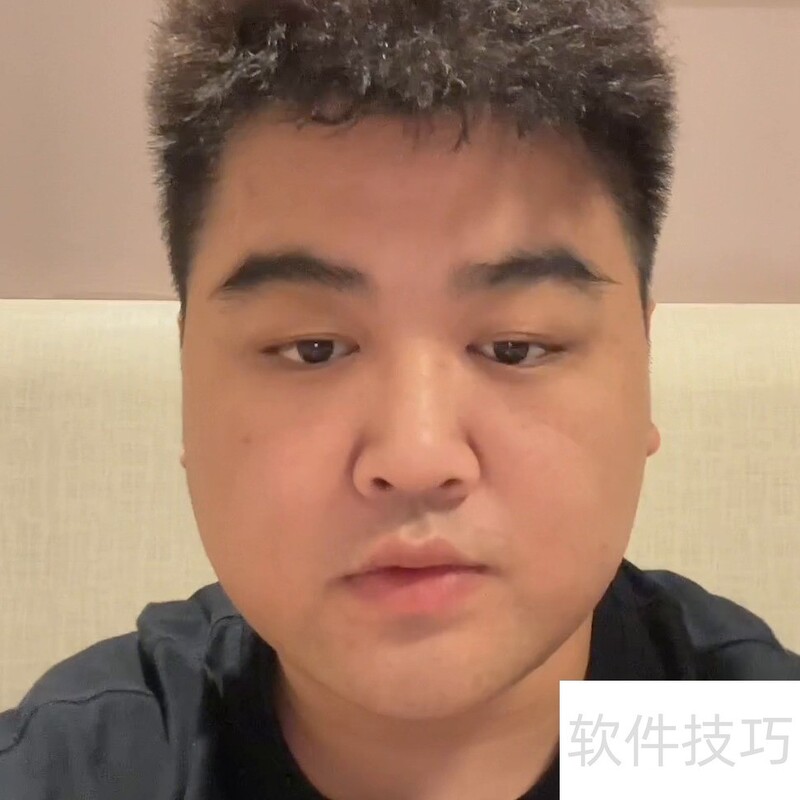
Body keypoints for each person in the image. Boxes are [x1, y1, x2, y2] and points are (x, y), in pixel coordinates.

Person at [2, 0, 799, 798]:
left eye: (515, 347)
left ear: (643, 366)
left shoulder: (747, 750)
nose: (417, 458)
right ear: (189, 379)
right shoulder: (88, 769)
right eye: (314, 349)